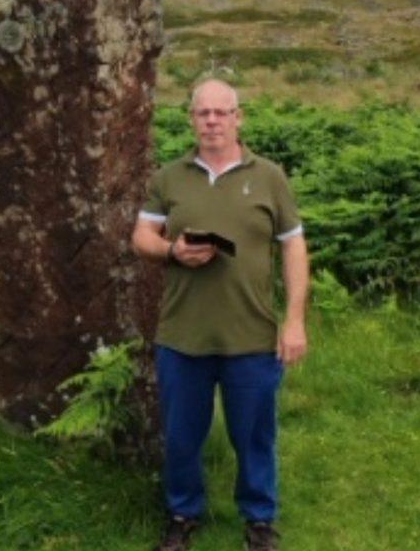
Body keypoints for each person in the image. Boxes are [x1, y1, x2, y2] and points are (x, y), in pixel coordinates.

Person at [131, 79, 310, 551]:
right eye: (202, 112)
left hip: (250, 335)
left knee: (254, 436)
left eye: (221, 112)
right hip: (182, 336)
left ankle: (258, 520)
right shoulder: (169, 178)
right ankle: (182, 514)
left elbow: (293, 245)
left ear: (239, 117)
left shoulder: (269, 176)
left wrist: (293, 321)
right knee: (182, 437)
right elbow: (141, 237)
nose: (212, 121)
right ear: (191, 119)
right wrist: (172, 251)